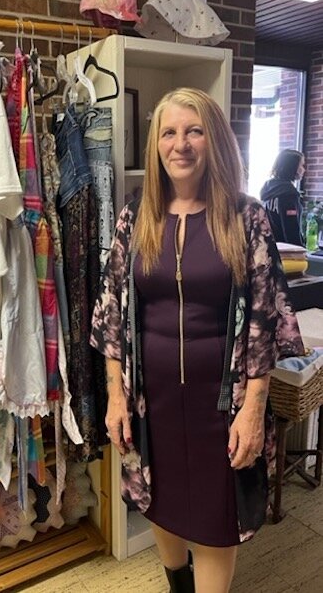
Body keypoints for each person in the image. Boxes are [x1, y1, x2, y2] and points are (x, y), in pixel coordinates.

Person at [90, 88, 304, 593]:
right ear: (155, 144)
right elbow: (113, 315)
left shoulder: (244, 217)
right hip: (152, 401)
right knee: (159, 498)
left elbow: (263, 318)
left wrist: (253, 410)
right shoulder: (134, 217)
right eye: (169, 132)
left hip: (221, 403)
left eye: (194, 130)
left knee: (214, 516)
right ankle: (177, 585)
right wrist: (117, 398)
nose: (180, 144)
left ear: (214, 141)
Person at [260, 149, 305, 246]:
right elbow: (291, 230)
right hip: (286, 252)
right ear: (292, 167)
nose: (303, 169)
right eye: (301, 165)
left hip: (269, 248)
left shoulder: (269, 191)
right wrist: (300, 252)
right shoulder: (288, 194)